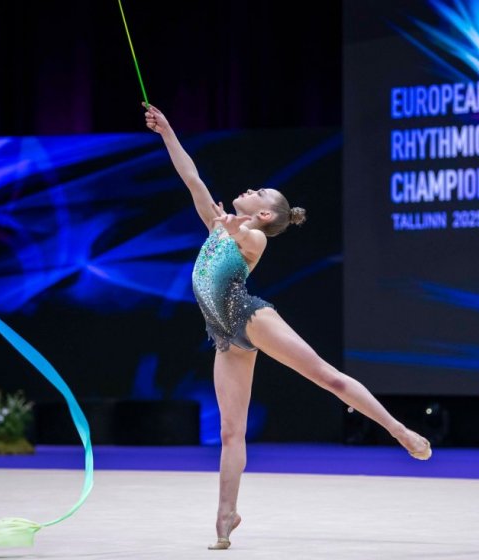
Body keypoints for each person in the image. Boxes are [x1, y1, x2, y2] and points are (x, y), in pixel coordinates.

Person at [143, 102, 432, 550]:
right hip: (225, 337)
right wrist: (167, 132)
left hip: (249, 317)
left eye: (259, 192)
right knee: (230, 432)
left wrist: (232, 227)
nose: (250, 189)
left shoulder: (253, 236)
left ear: (264, 214)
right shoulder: (219, 225)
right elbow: (191, 177)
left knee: (328, 377)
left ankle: (399, 430)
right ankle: (226, 515)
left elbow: (245, 237)